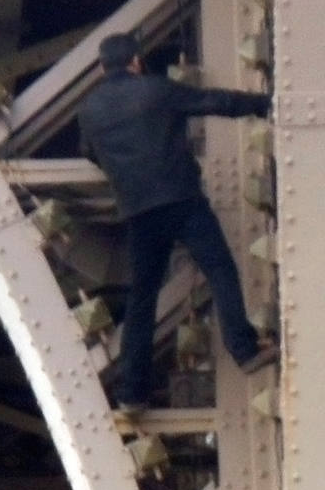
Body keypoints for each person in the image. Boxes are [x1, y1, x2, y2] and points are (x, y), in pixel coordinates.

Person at [77, 32, 278, 410]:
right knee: (219, 269)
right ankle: (244, 349)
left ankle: (132, 392)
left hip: (138, 211)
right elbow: (213, 101)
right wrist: (262, 103)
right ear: (136, 61)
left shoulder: (89, 111)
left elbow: (90, 152)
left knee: (142, 299)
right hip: (182, 200)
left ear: (103, 68)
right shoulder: (155, 90)